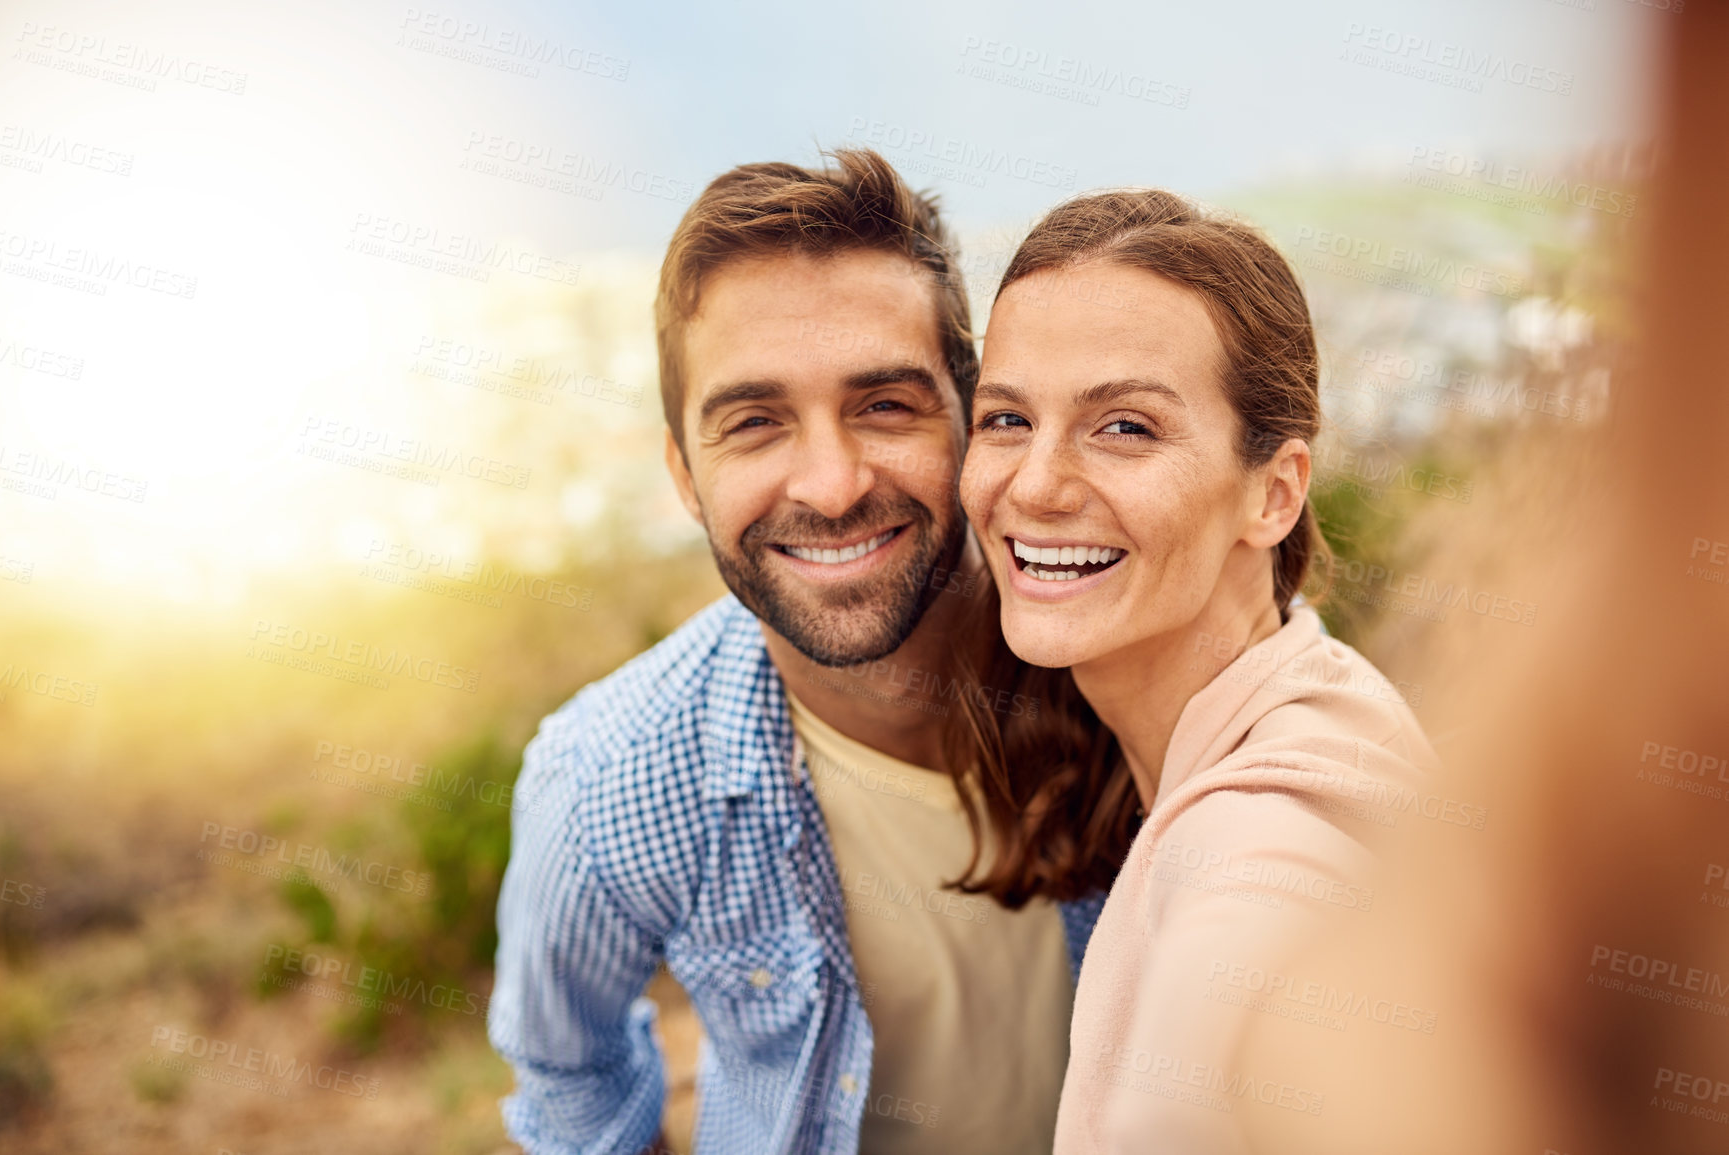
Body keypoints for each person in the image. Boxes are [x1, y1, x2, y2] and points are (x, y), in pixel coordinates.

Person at [487, 149, 1106, 1155]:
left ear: (974, 417)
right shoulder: (609, 777)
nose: (829, 484)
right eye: (755, 422)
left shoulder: (1147, 669)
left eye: (884, 405)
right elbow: (569, 1080)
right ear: (685, 475)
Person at [948, 189, 1440, 1153]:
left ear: (1274, 491)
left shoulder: (1261, 855)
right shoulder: (1317, 702)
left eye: (1124, 427)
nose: (1034, 483)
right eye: (1004, 419)